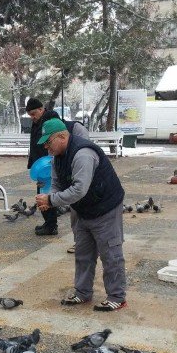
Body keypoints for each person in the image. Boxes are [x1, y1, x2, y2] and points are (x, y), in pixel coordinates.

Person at [35, 118, 127, 312]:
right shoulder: (56, 157)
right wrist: (49, 198)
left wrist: (51, 201)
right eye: (44, 144)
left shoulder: (83, 154)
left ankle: (117, 296)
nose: (46, 148)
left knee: (110, 254)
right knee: (83, 254)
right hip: (82, 210)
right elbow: (57, 183)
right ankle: (83, 293)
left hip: (105, 206)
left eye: (48, 142)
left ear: (62, 136)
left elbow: (79, 190)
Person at [26, 98, 60, 235]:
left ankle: (51, 226)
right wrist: (32, 163)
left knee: (46, 194)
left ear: (41, 109)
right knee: (41, 194)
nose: (32, 117)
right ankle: (48, 222)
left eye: (34, 114)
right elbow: (34, 144)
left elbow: (55, 140)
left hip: (48, 164)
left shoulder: (51, 118)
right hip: (40, 164)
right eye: (30, 115)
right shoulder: (37, 121)